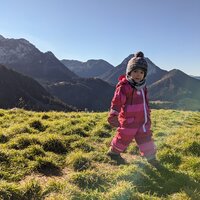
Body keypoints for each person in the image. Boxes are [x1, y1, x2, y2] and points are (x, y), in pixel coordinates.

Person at [107, 51, 157, 166]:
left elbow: (145, 102)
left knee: (146, 138)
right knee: (123, 137)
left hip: (143, 120)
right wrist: (114, 115)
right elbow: (117, 101)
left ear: (144, 74)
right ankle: (113, 152)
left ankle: (151, 157)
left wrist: (147, 113)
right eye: (135, 71)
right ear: (129, 72)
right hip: (129, 120)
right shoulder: (125, 87)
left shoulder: (143, 86)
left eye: (141, 72)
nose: (138, 74)